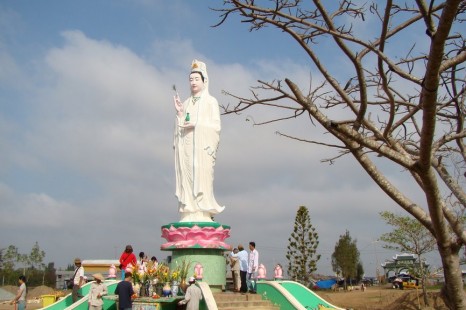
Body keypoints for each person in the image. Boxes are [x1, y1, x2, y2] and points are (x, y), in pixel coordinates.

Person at [173, 59, 225, 222]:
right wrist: (180, 114)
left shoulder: (211, 101)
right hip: (187, 149)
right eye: (191, 79)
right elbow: (180, 128)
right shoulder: (186, 103)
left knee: (201, 177)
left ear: (204, 81)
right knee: (187, 179)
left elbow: (216, 127)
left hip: (202, 150)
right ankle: (188, 209)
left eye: (197, 79)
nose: (193, 82)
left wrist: (197, 125)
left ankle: (202, 211)